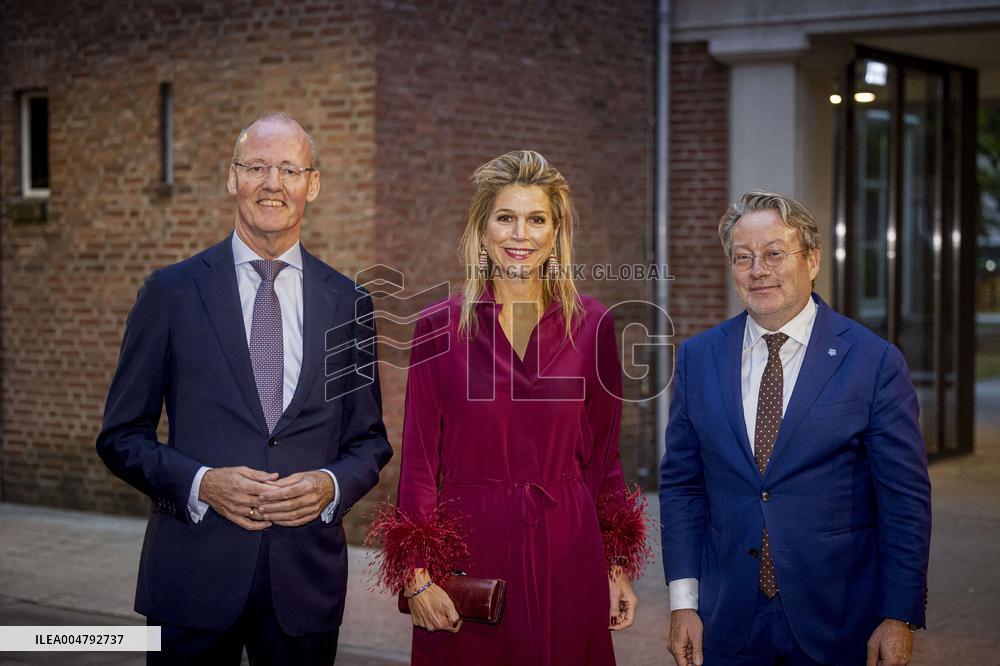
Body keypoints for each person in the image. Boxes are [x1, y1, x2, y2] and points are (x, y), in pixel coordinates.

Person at [97, 113, 393, 665]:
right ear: (233, 178)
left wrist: (329, 486)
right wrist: (202, 483)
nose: (272, 184)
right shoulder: (172, 293)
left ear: (314, 183)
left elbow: (369, 441)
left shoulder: (348, 304)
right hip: (192, 576)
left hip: (304, 583)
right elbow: (120, 436)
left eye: (289, 169)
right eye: (256, 167)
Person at [366, 150, 650, 665]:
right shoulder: (438, 326)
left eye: (536, 219)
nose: (520, 234)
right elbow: (419, 467)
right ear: (482, 229)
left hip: (569, 548)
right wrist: (416, 575)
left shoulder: (594, 325)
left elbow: (604, 460)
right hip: (469, 547)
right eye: (506, 217)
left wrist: (614, 567)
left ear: (555, 232)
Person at [659, 190, 932, 665]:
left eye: (774, 254)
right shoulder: (697, 360)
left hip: (839, 620)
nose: (757, 270)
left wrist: (898, 615)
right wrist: (684, 603)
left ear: (813, 260)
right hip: (727, 620)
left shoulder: (873, 362)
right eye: (743, 258)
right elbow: (682, 486)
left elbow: (904, 502)